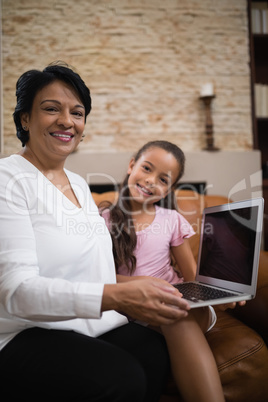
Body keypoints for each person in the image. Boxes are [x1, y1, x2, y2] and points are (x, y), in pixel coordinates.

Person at [0, 63, 192, 401]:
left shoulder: (77, 183)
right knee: (122, 377)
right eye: (50, 109)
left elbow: (94, 268)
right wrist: (117, 297)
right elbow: (16, 293)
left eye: (77, 112)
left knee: (152, 352)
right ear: (25, 119)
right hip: (23, 331)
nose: (66, 121)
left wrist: (143, 287)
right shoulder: (8, 180)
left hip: (84, 322)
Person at [100, 140, 245, 402]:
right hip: (134, 308)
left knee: (174, 311)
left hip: (180, 301)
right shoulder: (104, 220)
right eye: (146, 168)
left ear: (170, 188)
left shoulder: (171, 219)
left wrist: (219, 294)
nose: (150, 181)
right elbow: (98, 274)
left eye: (163, 179)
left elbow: (192, 278)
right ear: (132, 165)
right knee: (168, 310)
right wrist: (140, 284)